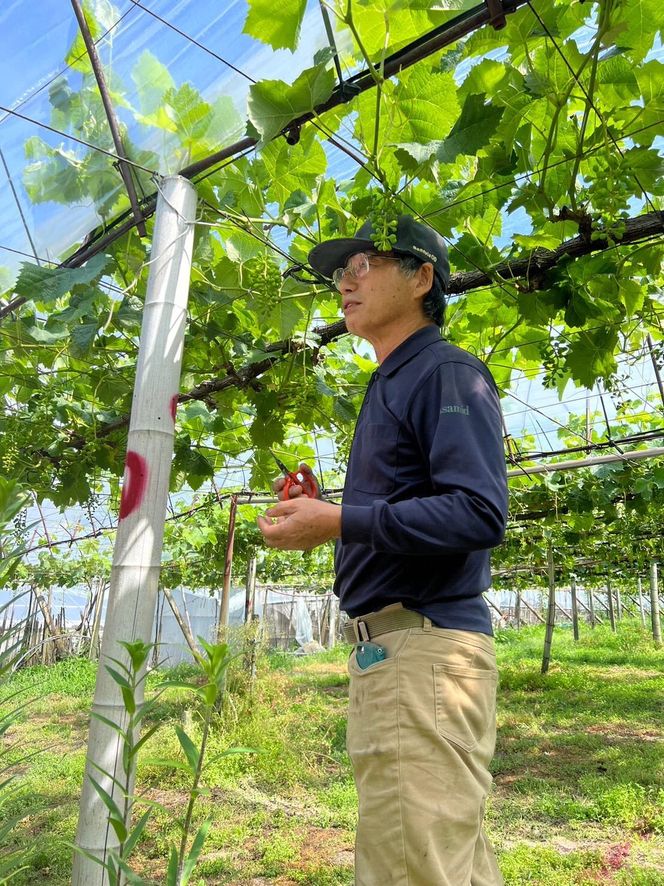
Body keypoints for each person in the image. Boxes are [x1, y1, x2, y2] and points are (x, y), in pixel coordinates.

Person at [257, 214, 508, 886]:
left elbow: (479, 511)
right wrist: (326, 515)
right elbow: (396, 510)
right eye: (341, 273)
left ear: (422, 278)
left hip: (423, 650)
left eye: (364, 265)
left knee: (412, 869)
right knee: (438, 863)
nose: (346, 282)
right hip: (400, 653)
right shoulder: (393, 381)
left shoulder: (445, 372)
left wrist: (339, 520)